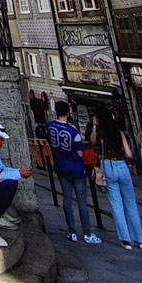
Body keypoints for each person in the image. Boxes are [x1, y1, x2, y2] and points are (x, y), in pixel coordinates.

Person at [90, 103, 142, 250]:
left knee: (117, 205)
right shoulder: (118, 131)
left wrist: (95, 126)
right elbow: (129, 154)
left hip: (108, 165)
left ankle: (126, 240)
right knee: (131, 204)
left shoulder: (100, 131)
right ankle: (139, 239)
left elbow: (93, 142)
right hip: (122, 165)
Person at [46, 102, 101, 244]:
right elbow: (80, 152)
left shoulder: (50, 127)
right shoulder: (73, 132)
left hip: (61, 166)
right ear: (68, 113)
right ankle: (87, 233)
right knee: (82, 201)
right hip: (76, 168)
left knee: (67, 199)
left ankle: (72, 232)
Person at [0, 121, 31, 230]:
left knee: (11, 180)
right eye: (1, 138)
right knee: (9, 184)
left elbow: (2, 168)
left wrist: (19, 171)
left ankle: (0, 212)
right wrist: (18, 173)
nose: (3, 142)